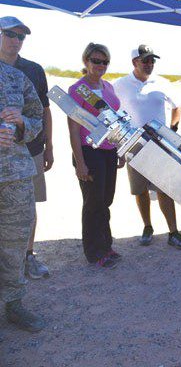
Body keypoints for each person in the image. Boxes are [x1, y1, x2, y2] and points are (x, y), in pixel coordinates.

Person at [112, 45, 181, 250]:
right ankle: (147, 227)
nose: (149, 64)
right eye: (145, 60)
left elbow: (176, 107)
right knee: (140, 190)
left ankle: (173, 232)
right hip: (133, 143)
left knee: (164, 188)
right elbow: (111, 110)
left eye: (152, 60)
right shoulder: (119, 84)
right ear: (134, 63)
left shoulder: (162, 83)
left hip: (159, 144)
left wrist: (172, 129)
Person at [0, 20, 45, 332]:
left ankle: (13, 305)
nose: (15, 41)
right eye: (9, 35)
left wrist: (20, 127)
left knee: (15, 243)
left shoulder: (19, 78)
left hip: (15, 175)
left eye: (20, 37)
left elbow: (37, 118)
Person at [68, 43, 125, 269]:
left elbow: (116, 122)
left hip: (109, 151)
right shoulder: (78, 89)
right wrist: (80, 163)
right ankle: (94, 252)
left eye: (104, 62)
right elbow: (73, 128)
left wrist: (120, 149)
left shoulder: (108, 87)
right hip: (89, 151)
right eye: (95, 61)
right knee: (93, 202)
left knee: (106, 200)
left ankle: (106, 244)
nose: (100, 65)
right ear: (86, 62)